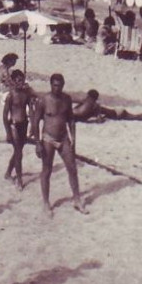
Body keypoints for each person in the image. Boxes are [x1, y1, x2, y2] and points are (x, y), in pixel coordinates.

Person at [32, 73, 86, 214]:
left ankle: (77, 200)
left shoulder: (67, 99)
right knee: (47, 170)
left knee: (72, 168)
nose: (57, 88)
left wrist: (73, 137)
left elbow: (71, 119)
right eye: (55, 85)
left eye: (60, 85)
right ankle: (46, 202)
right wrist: (37, 142)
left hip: (63, 138)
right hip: (48, 139)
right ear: (51, 85)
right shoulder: (43, 100)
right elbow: (35, 121)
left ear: (63, 85)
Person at [3, 71, 35, 188]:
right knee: (19, 153)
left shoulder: (25, 94)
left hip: (24, 124)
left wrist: (32, 125)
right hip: (14, 126)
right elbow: (5, 115)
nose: (20, 83)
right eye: (17, 81)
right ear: (13, 82)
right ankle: (20, 179)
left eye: (21, 80)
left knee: (18, 152)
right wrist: (7, 132)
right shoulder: (10, 96)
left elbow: (30, 110)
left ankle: (7, 173)